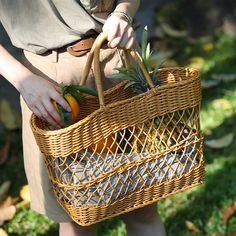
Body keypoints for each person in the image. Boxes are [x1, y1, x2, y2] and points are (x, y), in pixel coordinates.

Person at [0, 1, 166, 235]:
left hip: (118, 60)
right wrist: (21, 79)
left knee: (143, 201)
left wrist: (123, 13)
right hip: (51, 80)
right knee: (77, 218)